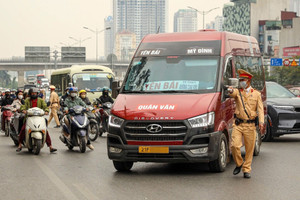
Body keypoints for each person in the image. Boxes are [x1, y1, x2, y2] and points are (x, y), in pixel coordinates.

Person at [228, 69, 264, 179]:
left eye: (243, 80)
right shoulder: (238, 92)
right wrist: (230, 90)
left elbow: (260, 109)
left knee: (249, 149)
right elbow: (232, 93)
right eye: (240, 80)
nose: (241, 82)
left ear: (248, 81)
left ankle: (246, 169)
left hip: (250, 125)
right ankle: (239, 164)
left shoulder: (256, 94)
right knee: (234, 145)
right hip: (238, 125)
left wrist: (261, 122)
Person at [16, 87, 57, 153]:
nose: (34, 94)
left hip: (39, 118)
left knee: (45, 130)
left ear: (37, 94)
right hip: (29, 118)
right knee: (23, 129)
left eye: (35, 93)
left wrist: (46, 111)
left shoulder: (40, 100)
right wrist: (23, 110)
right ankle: (20, 144)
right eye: (32, 93)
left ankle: (50, 146)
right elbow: (23, 106)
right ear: (30, 94)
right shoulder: (27, 100)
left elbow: (45, 107)